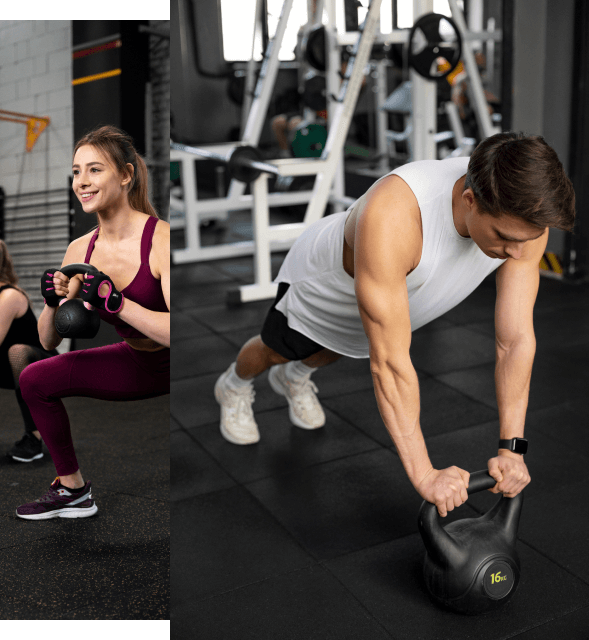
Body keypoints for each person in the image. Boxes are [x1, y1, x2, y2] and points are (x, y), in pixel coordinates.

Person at [214, 131, 575, 518]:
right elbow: (390, 361)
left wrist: (512, 448)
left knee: (337, 350)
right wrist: (424, 474)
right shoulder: (396, 215)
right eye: (505, 238)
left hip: (391, 296)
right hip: (324, 287)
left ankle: (295, 378)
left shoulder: (524, 223)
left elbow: (516, 340)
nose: (519, 253)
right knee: (277, 351)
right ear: (470, 200)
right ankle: (233, 386)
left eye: (530, 239)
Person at [15, 125, 170, 520]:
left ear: (125, 175)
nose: (82, 182)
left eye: (95, 170)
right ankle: (73, 490)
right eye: (76, 171)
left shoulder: (160, 239)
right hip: (140, 363)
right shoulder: (80, 248)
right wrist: (50, 302)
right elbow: (48, 342)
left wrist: (116, 303)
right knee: (35, 378)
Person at [0, 240, 58, 462]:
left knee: (17, 352)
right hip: (11, 370)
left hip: (42, 366)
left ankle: (33, 438)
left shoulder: (9, 296)